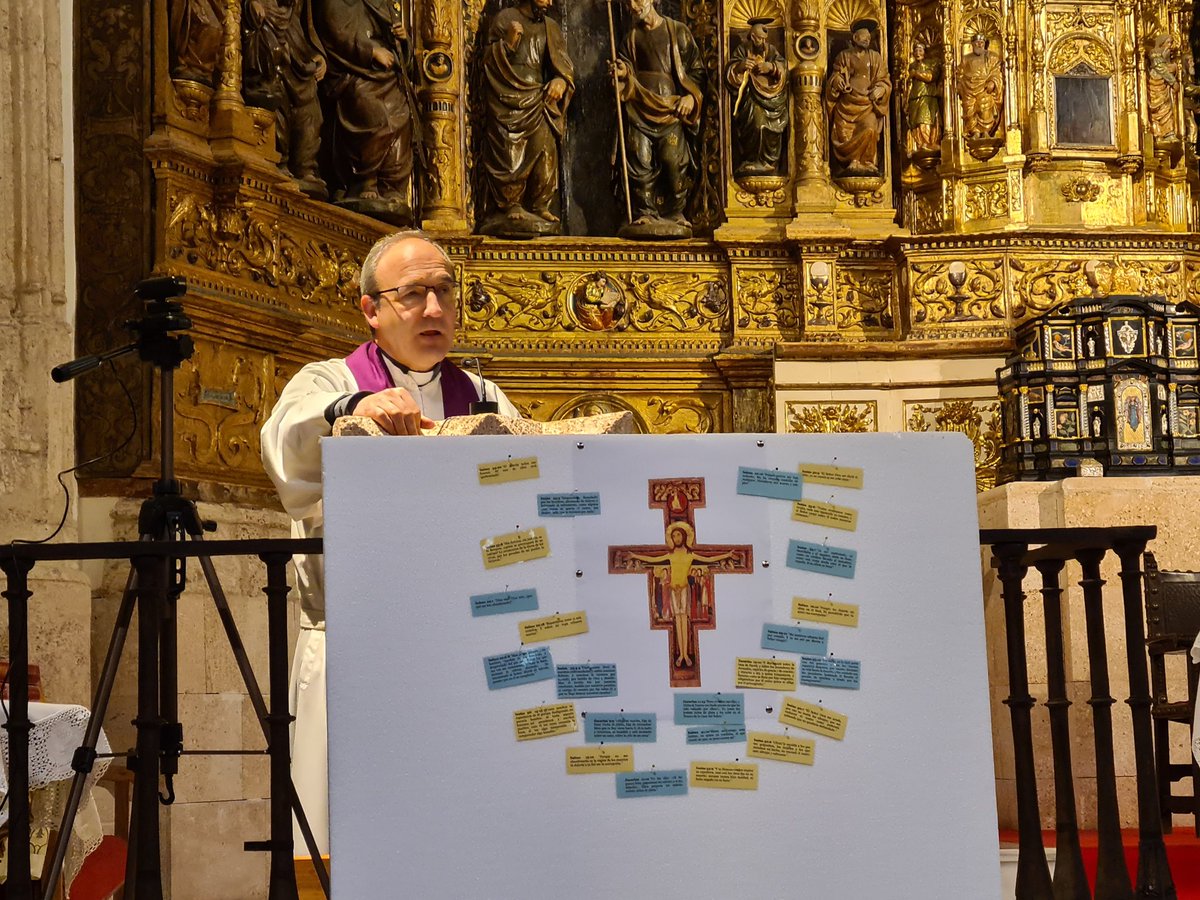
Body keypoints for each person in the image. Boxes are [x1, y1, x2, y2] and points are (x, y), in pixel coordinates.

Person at [260, 230, 520, 855]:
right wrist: (354, 407)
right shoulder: (328, 381)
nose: (434, 309)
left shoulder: (484, 398)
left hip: (461, 651)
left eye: (445, 292)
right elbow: (283, 450)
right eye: (412, 294)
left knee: (455, 835)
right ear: (370, 309)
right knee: (345, 837)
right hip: (355, 646)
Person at [312, 0, 421, 217]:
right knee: (373, 112)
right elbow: (335, 34)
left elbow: (402, 57)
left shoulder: (380, 2)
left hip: (385, 75)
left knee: (402, 113)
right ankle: (363, 181)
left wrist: (402, 40)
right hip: (351, 74)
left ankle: (389, 184)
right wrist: (371, 51)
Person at [480, 0, 575, 236]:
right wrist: (507, 44)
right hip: (507, 96)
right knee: (509, 150)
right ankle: (510, 204)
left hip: (539, 98)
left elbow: (562, 64)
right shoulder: (504, 18)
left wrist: (560, 80)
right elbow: (486, 61)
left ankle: (539, 204)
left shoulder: (550, 26)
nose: (550, 2)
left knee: (544, 149)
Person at [611, 0, 704, 238]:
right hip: (639, 108)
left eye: (637, 0)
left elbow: (697, 71)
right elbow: (626, 70)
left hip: (671, 111)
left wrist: (691, 97)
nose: (633, 6)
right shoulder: (630, 39)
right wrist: (623, 73)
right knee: (639, 160)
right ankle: (645, 211)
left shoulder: (678, 32)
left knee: (673, 160)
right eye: (628, 2)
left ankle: (675, 211)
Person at [626, 522, 736, 667]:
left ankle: (685, 654)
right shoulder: (670, 555)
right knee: (678, 620)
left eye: (678, 535)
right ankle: (681, 655)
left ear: (684, 536)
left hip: (684, 589)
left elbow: (709, 559)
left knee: (684, 619)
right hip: (673, 589)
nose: (676, 538)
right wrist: (635, 555)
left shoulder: (690, 555)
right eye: (674, 536)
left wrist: (727, 555)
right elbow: (652, 559)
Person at [824, 19, 891, 175]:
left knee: (870, 128)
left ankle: (867, 161)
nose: (867, 39)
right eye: (864, 36)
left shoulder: (875, 57)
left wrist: (881, 89)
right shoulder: (844, 56)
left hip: (867, 104)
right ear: (855, 38)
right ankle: (853, 161)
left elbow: (884, 79)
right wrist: (838, 82)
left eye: (869, 37)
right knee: (845, 133)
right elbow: (835, 76)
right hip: (847, 105)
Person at [725, 18, 789, 177]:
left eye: (764, 39)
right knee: (758, 125)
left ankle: (768, 162)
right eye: (759, 38)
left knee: (771, 128)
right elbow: (729, 72)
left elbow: (784, 69)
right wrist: (740, 67)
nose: (762, 42)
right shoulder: (742, 50)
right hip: (750, 99)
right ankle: (754, 160)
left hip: (772, 99)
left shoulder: (771, 50)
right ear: (752, 37)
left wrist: (771, 67)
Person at [958, 33, 1003, 139]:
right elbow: (959, 73)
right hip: (968, 89)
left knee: (985, 107)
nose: (979, 45)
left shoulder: (991, 57)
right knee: (969, 110)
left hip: (984, 88)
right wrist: (960, 84)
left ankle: (986, 131)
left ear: (985, 44)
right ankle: (975, 132)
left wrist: (993, 82)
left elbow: (996, 72)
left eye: (981, 42)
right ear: (972, 44)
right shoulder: (966, 59)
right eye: (977, 42)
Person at [905, 42, 941, 156]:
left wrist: (916, 74)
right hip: (914, 97)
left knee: (925, 119)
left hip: (927, 95)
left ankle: (930, 142)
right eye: (915, 51)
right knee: (915, 121)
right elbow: (908, 85)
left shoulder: (931, 63)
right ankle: (920, 143)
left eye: (920, 50)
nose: (917, 53)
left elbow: (931, 77)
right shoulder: (912, 66)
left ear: (925, 52)